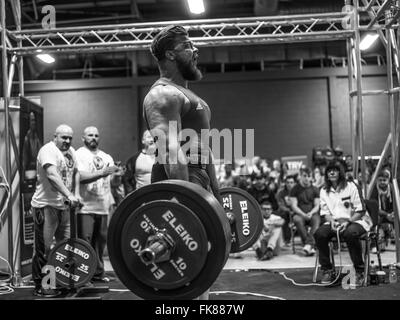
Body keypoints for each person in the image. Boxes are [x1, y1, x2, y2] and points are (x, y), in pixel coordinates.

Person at [143, 25, 227, 300]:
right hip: (181, 179)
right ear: (170, 54)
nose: (196, 50)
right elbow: (170, 151)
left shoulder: (187, 95)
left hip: (197, 176)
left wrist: (216, 197)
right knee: (187, 262)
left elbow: (205, 152)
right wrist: (182, 202)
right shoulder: (162, 95)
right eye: (188, 45)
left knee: (203, 263)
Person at [31, 124, 81, 298]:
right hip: (45, 206)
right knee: (44, 249)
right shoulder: (48, 150)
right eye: (63, 137)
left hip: (63, 207)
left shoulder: (71, 152)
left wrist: (76, 194)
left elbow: (76, 172)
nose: (67, 141)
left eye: (69, 138)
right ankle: (42, 285)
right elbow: (52, 175)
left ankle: (61, 281)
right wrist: (69, 194)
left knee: (65, 247)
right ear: (55, 137)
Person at [314, 160, 372, 286]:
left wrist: (348, 221)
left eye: (335, 170)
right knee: (319, 234)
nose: (332, 173)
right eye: (329, 171)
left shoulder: (352, 186)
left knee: (350, 233)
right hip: (334, 222)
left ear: (341, 172)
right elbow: (325, 213)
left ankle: (360, 271)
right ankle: (328, 270)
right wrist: (332, 222)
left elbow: (361, 210)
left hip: (356, 220)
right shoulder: (324, 190)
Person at [75, 126, 121, 283]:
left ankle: (98, 273)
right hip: (85, 207)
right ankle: (84, 275)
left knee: (100, 242)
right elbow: (80, 176)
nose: (93, 137)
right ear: (83, 138)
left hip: (103, 205)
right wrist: (102, 173)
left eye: (96, 135)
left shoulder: (106, 156)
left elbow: (113, 182)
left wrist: (118, 175)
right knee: (84, 243)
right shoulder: (78, 154)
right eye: (90, 135)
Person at [289, 167, 320, 256]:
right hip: (299, 213)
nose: (306, 178)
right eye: (304, 176)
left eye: (309, 176)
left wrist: (311, 213)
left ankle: (308, 245)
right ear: (301, 176)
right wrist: (303, 214)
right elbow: (294, 206)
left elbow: (317, 205)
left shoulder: (315, 189)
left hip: (312, 213)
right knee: (297, 220)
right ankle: (310, 245)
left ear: (311, 177)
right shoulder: (295, 189)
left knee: (316, 220)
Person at [122, 130, 156, 195]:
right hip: (142, 197)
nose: (152, 140)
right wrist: (131, 196)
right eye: (149, 137)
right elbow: (127, 179)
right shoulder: (134, 159)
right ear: (143, 140)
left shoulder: (163, 158)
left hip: (160, 196)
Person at [370, 168, 395, 251]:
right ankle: (375, 244)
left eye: (384, 180)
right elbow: (374, 207)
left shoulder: (392, 188)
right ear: (377, 180)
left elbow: (396, 203)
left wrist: (392, 213)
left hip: (390, 213)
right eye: (380, 180)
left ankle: (394, 236)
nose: (382, 182)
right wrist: (386, 215)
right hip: (378, 214)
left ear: (388, 180)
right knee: (374, 221)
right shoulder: (373, 189)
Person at [276, 175, 296, 246]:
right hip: (285, 211)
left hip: (296, 211)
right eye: (288, 182)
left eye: (291, 182)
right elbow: (281, 205)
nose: (289, 184)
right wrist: (289, 210)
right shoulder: (281, 193)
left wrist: (295, 210)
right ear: (285, 183)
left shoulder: (298, 191)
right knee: (284, 216)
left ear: (294, 183)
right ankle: (287, 240)